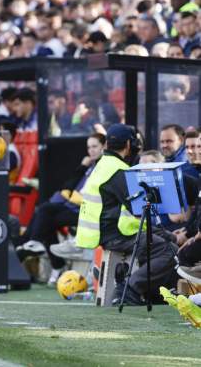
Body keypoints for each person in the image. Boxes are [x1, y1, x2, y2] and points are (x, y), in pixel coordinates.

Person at [75, 124, 177, 305]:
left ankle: (151, 294)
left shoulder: (103, 164)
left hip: (104, 232)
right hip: (114, 234)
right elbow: (139, 210)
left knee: (161, 244)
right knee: (167, 250)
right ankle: (129, 289)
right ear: (129, 145)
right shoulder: (118, 170)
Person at [19, 133, 105, 284]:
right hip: (74, 208)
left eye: (95, 146)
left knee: (45, 213)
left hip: (87, 213)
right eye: (89, 147)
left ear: (104, 146)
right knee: (44, 216)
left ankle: (34, 245)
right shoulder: (90, 165)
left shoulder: (103, 166)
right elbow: (69, 185)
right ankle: (48, 257)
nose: (91, 150)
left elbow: (81, 192)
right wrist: (82, 167)